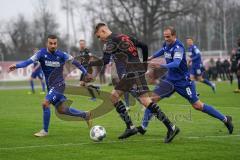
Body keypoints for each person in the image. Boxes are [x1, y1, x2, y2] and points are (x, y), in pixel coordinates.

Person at [90, 23, 179, 143]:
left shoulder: (110, 42)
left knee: (135, 100)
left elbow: (105, 61)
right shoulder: (125, 37)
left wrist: (88, 64)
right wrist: (144, 63)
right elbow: (144, 46)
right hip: (135, 69)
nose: (100, 40)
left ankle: (168, 127)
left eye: (99, 36)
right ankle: (133, 127)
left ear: (103, 31)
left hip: (131, 72)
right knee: (117, 97)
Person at [137, 26, 233, 135]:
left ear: (174, 36)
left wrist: (161, 65)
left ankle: (225, 119)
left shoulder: (179, 47)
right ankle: (143, 128)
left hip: (183, 82)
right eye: (164, 37)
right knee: (152, 100)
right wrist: (152, 57)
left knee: (197, 105)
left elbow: (176, 63)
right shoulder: (166, 44)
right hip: (170, 80)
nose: (166, 39)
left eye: (168, 37)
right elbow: (163, 50)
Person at [8, 35, 92, 137]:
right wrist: (16, 66)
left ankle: (45, 131)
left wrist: (86, 73)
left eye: (55, 43)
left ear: (57, 44)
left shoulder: (62, 55)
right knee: (62, 110)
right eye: (51, 43)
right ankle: (85, 115)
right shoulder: (41, 54)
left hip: (59, 85)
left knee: (45, 103)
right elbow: (28, 62)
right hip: (50, 87)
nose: (53, 45)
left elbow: (76, 63)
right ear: (47, 43)